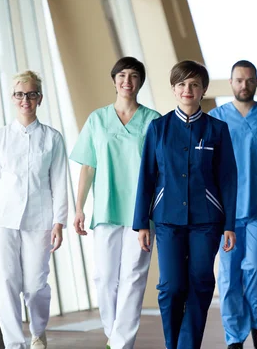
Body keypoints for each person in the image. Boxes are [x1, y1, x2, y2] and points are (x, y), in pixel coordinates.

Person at [133, 60, 238, 349]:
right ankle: (174, 344)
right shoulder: (158, 128)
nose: (187, 89)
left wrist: (229, 224)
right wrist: (142, 222)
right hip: (167, 220)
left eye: (194, 84)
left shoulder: (217, 130)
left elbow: (228, 178)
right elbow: (147, 176)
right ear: (173, 89)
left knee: (201, 282)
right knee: (170, 287)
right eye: (181, 84)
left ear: (203, 89)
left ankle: (187, 344)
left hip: (207, 220)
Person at [70, 57, 161, 349]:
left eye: (134, 76)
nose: (127, 81)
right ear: (114, 80)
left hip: (141, 212)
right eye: (122, 75)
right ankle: (113, 335)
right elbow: (88, 166)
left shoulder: (153, 121)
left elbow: (160, 169)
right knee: (105, 277)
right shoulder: (97, 119)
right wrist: (78, 207)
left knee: (133, 278)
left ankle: (121, 344)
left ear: (140, 82)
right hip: (107, 208)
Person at [0, 70, 67, 349]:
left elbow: (60, 181)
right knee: (5, 284)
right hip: (3, 220)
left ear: (39, 98)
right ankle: (14, 344)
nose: (25, 99)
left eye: (31, 94)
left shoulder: (52, 138)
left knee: (36, 285)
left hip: (40, 220)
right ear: (12, 98)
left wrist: (59, 223)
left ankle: (38, 331)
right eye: (19, 94)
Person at [209, 60, 257, 349]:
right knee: (229, 277)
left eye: (250, 80)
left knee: (256, 267)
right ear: (231, 83)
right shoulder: (215, 120)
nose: (244, 85)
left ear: (256, 83)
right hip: (225, 213)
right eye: (239, 80)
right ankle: (234, 337)